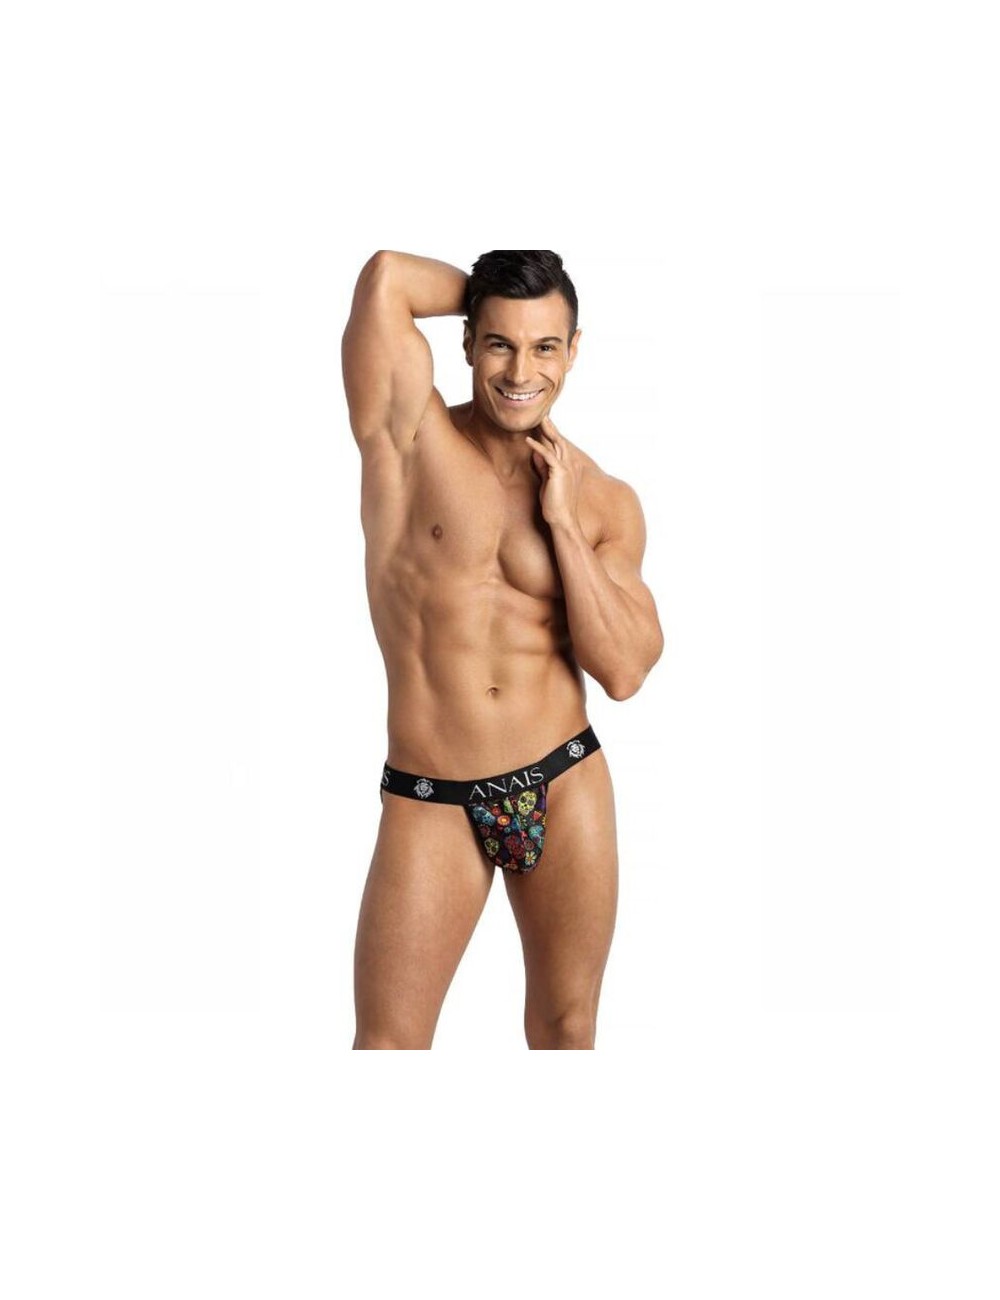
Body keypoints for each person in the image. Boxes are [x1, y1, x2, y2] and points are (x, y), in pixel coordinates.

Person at [341, 249, 664, 1049]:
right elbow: (385, 278)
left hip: (563, 776)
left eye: (545, 346)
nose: (522, 371)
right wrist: (490, 292)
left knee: (566, 1029)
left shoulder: (602, 499)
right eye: (499, 344)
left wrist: (561, 526)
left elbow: (625, 669)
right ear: (466, 342)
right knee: (388, 1046)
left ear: (574, 350)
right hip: (433, 796)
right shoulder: (408, 438)